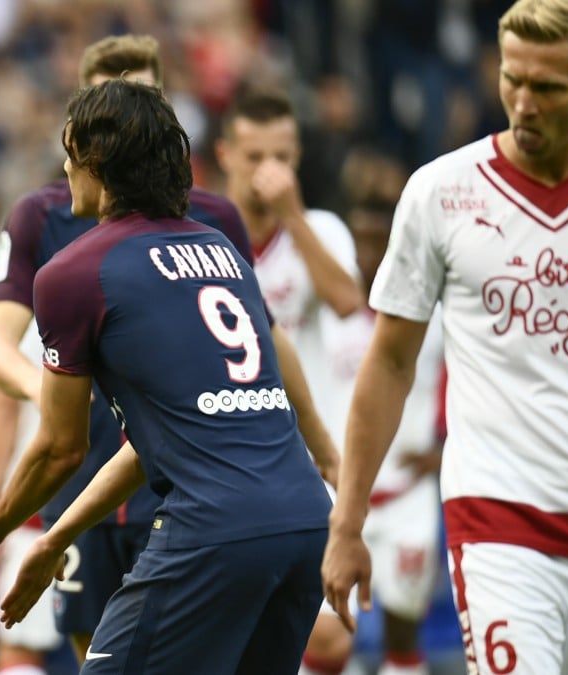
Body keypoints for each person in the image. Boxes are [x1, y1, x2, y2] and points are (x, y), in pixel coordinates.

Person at [0, 78, 333, 673]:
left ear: (96, 161)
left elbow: (61, 448)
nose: (62, 166)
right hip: (301, 520)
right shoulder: (223, 252)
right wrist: (55, 540)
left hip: (210, 529)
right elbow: (157, 441)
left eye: (69, 150)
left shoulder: (74, 272)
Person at [322, 1, 568, 673]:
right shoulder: (441, 193)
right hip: (498, 515)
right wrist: (347, 521)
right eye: (513, 79)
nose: (524, 102)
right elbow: (389, 364)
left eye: (548, 87)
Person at [215, 86, 363, 675]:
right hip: (227, 460)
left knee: (329, 639)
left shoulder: (320, 229)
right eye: (256, 157)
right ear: (226, 154)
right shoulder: (198, 230)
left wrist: (293, 217)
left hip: (308, 457)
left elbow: (350, 301)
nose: (270, 171)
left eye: (283, 155)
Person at [328, 150, 446, 675]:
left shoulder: (432, 314)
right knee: (327, 636)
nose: (367, 252)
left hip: (406, 495)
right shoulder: (328, 313)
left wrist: (447, 444)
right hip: (336, 493)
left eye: (378, 239)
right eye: (358, 240)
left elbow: (463, 378)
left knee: (403, 631)